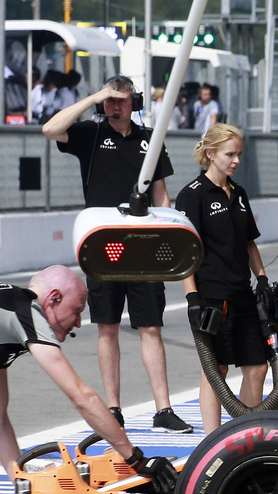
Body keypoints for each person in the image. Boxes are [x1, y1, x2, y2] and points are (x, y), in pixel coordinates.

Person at [42, 75, 193, 435]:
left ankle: (163, 408)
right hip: (104, 244)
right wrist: (95, 95)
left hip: (142, 244)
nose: (114, 107)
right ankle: (114, 407)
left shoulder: (149, 140)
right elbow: (50, 129)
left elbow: (161, 196)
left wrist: (165, 239)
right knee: (107, 327)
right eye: (109, 101)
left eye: (121, 100)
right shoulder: (90, 134)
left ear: (134, 103)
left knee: (151, 327)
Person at [0, 266, 177, 491]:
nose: (78, 323)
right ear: (54, 298)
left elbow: (0, 421)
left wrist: (21, 485)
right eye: (76, 310)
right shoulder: (25, 309)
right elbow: (81, 396)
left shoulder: (8, 311)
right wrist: (135, 459)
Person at [176, 124, 271, 432]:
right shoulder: (192, 196)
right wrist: (192, 297)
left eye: (239, 154)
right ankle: (212, 439)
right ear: (211, 154)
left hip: (243, 292)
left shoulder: (239, 193)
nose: (236, 161)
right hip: (212, 295)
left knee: (257, 367)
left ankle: (247, 433)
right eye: (230, 154)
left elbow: (249, 242)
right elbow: (185, 253)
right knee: (216, 370)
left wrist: (263, 278)